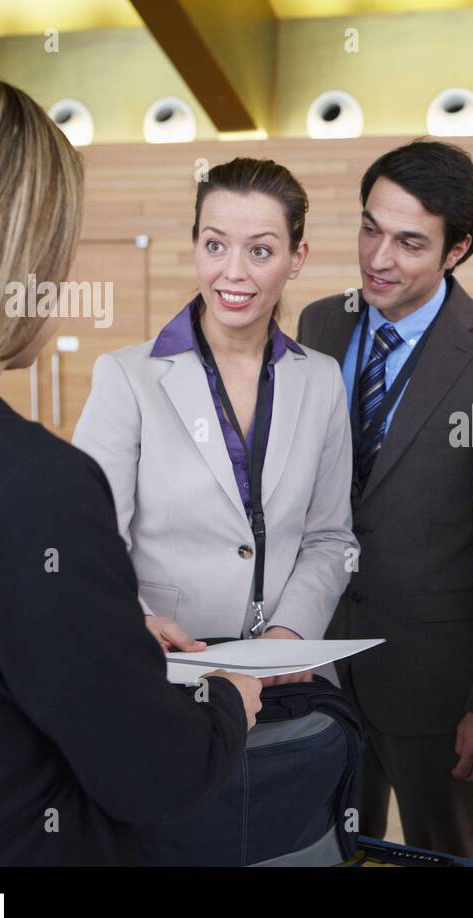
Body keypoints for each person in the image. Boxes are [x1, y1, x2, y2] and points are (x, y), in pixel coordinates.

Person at [0, 69, 261, 866]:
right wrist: (226, 703)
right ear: (14, 255)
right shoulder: (32, 484)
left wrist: (90, 628)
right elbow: (156, 774)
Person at [296, 140, 473, 860]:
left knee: (441, 853)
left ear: (456, 249)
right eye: (370, 228)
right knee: (325, 844)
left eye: (410, 242)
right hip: (319, 663)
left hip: (438, 687)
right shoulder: (320, 323)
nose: (378, 257)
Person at [74, 158, 356, 686]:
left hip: (284, 675)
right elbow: (88, 539)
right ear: (196, 244)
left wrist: (290, 634)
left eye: (261, 251)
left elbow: (330, 537)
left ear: (297, 258)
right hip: (163, 670)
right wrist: (134, 622)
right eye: (215, 244)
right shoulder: (126, 378)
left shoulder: (320, 379)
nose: (233, 272)